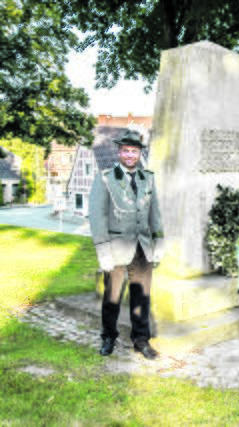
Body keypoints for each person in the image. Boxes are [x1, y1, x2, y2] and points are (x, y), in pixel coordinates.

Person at [89, 129, 164, 360]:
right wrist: (103, 250)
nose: (130, 155)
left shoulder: (147, 178)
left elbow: (155, 213)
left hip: (142, 249)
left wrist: (158, 242)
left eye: (134, 151)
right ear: (119, 152)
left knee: (141, 297)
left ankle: (141, 340)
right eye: (126, 151)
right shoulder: (105, 178)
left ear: (140, 153)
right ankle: (108, 337)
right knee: (112, 298)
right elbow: (97, 215)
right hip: (115, 248)